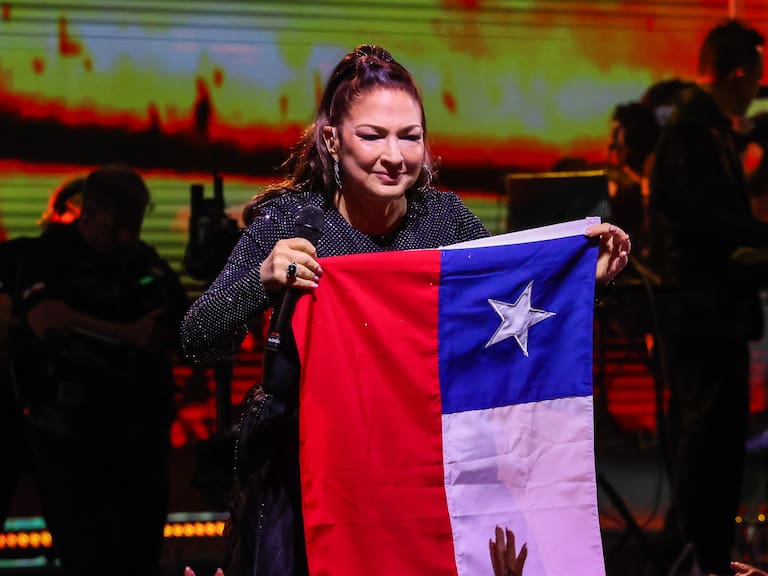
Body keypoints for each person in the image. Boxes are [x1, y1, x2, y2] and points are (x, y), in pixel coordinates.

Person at [180, 44, 630, 576]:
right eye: (372, 136)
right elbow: (196, 338)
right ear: (332, 139)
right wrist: (262, 280)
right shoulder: (292, 222)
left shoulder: (444, 221)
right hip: (308, 470)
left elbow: (503, 313)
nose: (394, 156)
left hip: (413, 463)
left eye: (410, 137)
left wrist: (582, 280)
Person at [0, 164, 190, 576]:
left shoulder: (144, 260)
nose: (126, 236)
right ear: (88, 213)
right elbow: (46, 317)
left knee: (141, 556)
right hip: (73, 440)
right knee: (92, 558)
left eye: (134, 225)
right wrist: (127, 334)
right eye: (116, 225)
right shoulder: (48, 254)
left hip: (139, 438)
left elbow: (182, 320)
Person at [648, 19, 768, 576]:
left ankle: (707, 556)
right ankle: (697, 558)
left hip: (716, 318)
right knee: (706, 447)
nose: (758, 90)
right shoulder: (692, 133)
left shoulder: (706, 129)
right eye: (757, 77)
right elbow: (705, 222)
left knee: (716, 447)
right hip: (702, 320)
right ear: (739, 73)